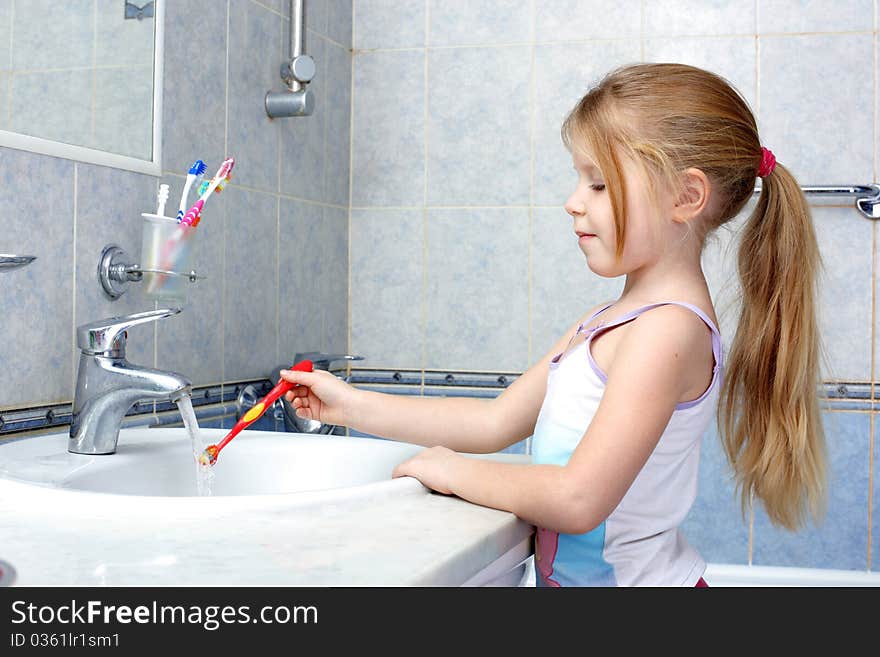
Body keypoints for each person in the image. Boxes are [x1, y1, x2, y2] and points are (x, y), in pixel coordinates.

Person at [279, 62, 828, 587]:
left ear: (684, 197)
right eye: (579, 180)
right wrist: (347, 405)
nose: (572, 202)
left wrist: (451, 471)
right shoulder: (608, 322)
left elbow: (578, 498)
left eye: (598, 184)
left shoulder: (668, 332)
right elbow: (495, 422)